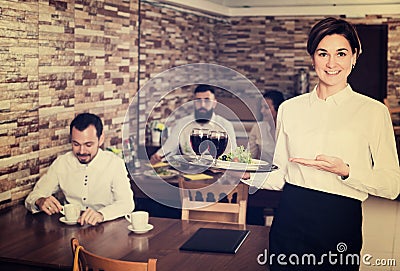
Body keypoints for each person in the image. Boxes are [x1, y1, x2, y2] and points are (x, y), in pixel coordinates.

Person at [243, 17, 400, 270]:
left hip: (339, 220)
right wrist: (241, 172)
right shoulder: (290, 109)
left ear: (354, 57)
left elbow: (392, 185)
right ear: (312, 57)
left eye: (341, 53)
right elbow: (280, 173)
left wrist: (346, 171)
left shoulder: (372, 112)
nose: (331, 63)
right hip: (290, 218)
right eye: (322, 53)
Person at [25, 113, 134, 226]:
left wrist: (101, 215)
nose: (82, 151)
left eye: (88, 144)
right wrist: (39, 201)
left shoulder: (115, 164)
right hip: (69, 231)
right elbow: (32, 197)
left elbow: (126, 203)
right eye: (76, 144)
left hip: (106, 229)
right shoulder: (62, 163)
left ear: (101, 140)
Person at [150, 84, 237, 164]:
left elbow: (233, 154)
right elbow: (169, 148)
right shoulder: (182, 123)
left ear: (214, 103)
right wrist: (158, 156)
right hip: (189, 170)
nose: (202, 105)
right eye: (198, 101)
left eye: (207, 100)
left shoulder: (225, 125)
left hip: (217, 171)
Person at [248, 90, 284, 163]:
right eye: (262, 107)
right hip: (264, 172)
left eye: (266, 107)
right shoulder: (258, 128)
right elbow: (249, 156)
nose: (262, 111)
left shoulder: (288, 129)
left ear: (278, 109)